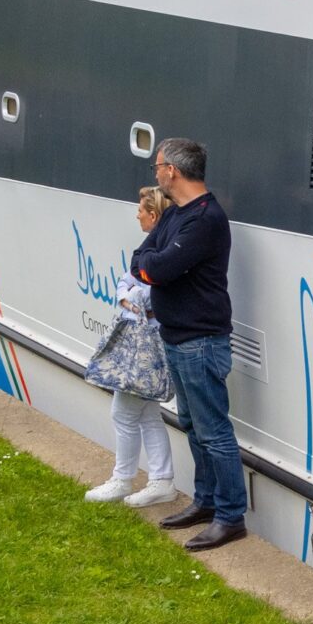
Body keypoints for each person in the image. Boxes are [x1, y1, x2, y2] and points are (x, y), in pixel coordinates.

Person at [130, 138, 246, 551]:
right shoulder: (177, 214)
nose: (155, 173)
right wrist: (148, 267)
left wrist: (149, 268)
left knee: (214, 431)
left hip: (200, 340)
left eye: (156, 167)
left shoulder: (205, 219)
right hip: (178, 336)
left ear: (172, 171)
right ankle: (207, 501)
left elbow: (158, 267)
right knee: (193, 426)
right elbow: (141, 258)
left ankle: (231, 516)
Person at [84, 186, 179, 509]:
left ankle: (123, 479)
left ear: (153, 216)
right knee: (148, 414)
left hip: (147, 344)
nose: (137, 214)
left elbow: (144, 292)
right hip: (148, 337)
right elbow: (125, 281)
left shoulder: (164, 252)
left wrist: (132, 294)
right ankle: (161, 480)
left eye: (141, 210)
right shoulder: (152, 247)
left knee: (123, 413)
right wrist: (129, 292)